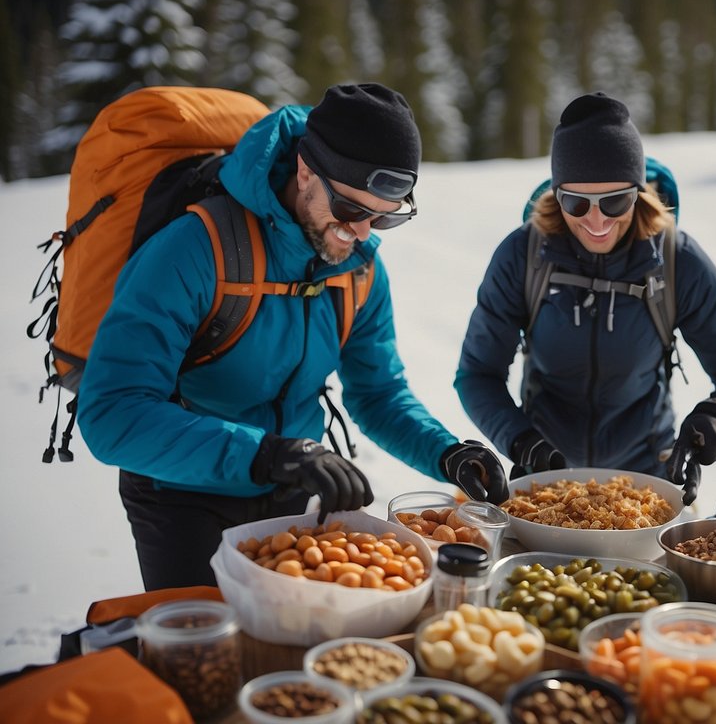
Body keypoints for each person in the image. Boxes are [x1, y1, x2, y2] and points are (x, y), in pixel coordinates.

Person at [78, 83, 509, 590]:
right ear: (305, 170)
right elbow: (113, 412)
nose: (364, 233)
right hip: (182, 494)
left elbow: (378, 394)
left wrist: (446, 453)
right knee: (207, 660)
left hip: (293, 486)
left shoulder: (358, 269)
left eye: (386, 217)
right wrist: (266, 453)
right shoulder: (193, 251)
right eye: (350, 210)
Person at [455, 92, 716, 504]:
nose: (596, 221)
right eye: (576, 202)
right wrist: (520, 440)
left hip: (645, 485)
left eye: (615, 200)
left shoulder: (675, 260)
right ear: (556, 194)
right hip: (545, 483)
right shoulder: (524, 255)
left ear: (638, 192)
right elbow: (477, 374)